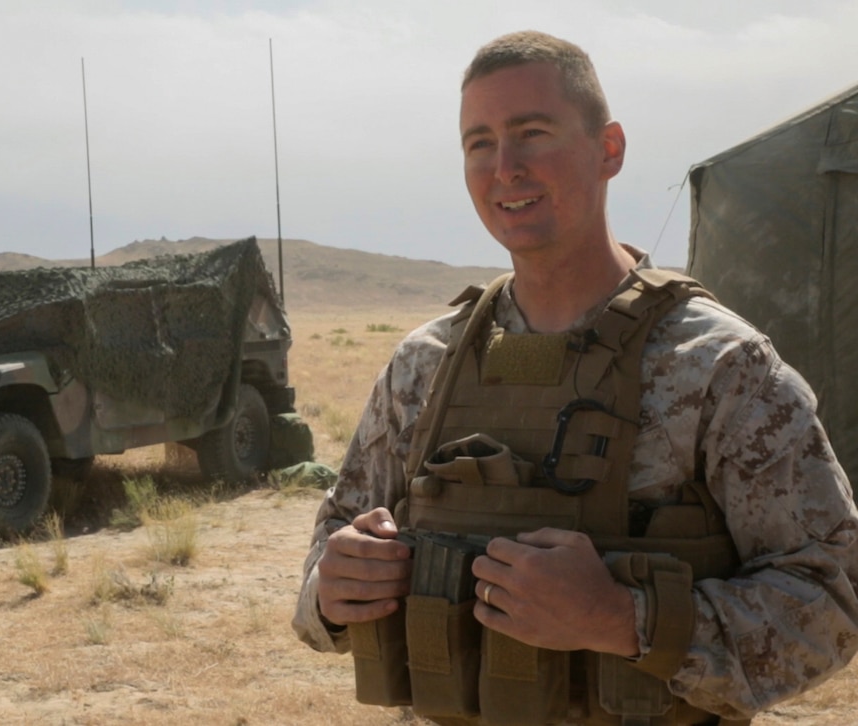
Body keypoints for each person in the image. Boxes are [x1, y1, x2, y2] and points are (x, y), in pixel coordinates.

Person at [292, 29, 858, 726]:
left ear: (609, 149)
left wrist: (624, 619)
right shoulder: (424, 364)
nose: (505, 167)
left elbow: (828, 604)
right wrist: (333, 591)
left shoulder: (719, 367)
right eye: (480, 143)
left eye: (532, 133)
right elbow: (329, 557)